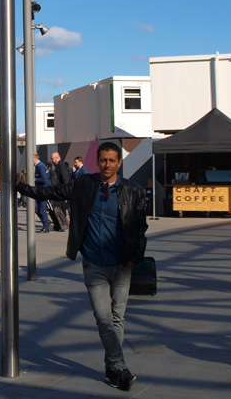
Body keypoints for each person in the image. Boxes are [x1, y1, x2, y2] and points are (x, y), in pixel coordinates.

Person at [16, 141, 148, 392]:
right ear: (97, 162)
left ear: (119, 163)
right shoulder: (84, 185)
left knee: (117, 318)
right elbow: (50, 193)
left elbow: (141, 228)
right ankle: (120, 366)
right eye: (103, 160)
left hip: (121, 265)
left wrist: (135, 256)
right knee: (103, 318)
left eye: (112, 160)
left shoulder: (134, 191)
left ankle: (112, 368)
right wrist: (21, 187)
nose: (107, 165)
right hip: (94, 264)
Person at [33, 153, 54, 233]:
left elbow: (44, 180)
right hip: (40, 190)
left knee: (41, 209)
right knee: (36, 208)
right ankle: (46, 222)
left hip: (43, 190)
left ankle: (46, 227)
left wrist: (34, 179)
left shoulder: (40, 166)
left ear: (35, 159)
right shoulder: (39, 166)